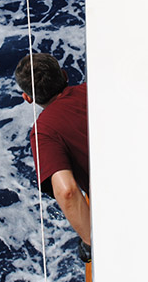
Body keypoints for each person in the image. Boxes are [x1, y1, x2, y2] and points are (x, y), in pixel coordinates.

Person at [14, 53, 91, 260]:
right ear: (64, 75)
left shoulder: (44, 132)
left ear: (28, 98)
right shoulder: (96, 89)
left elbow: (67, 192)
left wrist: (90, 241)